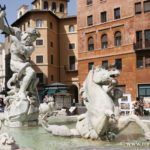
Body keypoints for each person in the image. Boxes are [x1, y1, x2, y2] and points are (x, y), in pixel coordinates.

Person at [0, 9, 40, 100]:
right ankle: (21, 92)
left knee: (32, 75)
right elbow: (2, 26)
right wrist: (1, 16)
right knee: (31, 72)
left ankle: (28, 92)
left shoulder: (31, 47)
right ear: (27, 34)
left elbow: (23, 51)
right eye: (31, 38)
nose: (31, 40)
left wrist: (16, 41)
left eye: (33, 39)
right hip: (14, 62)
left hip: (23, 63)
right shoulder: (17, 32)